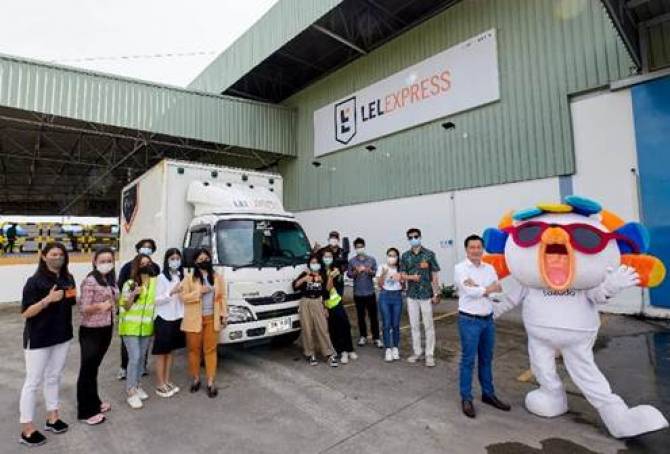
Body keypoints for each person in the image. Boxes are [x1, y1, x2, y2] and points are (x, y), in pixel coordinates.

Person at [18, 242, 76, 447]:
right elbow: (26, 313)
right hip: (39, 339)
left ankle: (53, 417)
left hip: (62, 336)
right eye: (53, 254)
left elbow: (71, 301)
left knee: (54, 377)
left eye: (61, 254)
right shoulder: (34, 282)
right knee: (33, 382)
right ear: (43, 256)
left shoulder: (68, 278)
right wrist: (47, 300)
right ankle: (27, 428)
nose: (57, 257)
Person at [454, 234, 510, 418]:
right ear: (466, 250)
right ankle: (466, 398)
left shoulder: (489, 268)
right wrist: (486, 289)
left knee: (486, 359)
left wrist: (479, 288)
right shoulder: (460, 268)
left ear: (483, 249)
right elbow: (469, 291)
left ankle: (488, 394)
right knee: (468, 360)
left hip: (488, 320)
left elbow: (498, 293)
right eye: (472, 247)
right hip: (469, 321)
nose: (476, 250)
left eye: (479, 247)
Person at [76, 247, 117, 425]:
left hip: (106, 328)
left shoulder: (109, 279)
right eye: (103, 261)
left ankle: (95, 402)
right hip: (91, 330)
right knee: (87, 370)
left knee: (94, 368)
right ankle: (86, 411)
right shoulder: (90, 281)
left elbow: (115, 299)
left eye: (109, 260)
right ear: (95, 262)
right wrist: (101, 306)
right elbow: (83, 308)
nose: (106, 264)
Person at [180, 248, 228, 398]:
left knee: (211, 350)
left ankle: (210, 381)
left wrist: (224, 315)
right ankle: (195, 379)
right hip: (193, 320)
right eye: (200, 259)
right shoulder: (189, 278)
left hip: (212, 319)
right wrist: (199, 292)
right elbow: (183, 297)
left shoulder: (217, 277)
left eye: (206, 259)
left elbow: (223, 297)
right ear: (195, 262)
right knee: (194, 351)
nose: (204, 261)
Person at [116, 239, 159, 380]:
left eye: (149, 247)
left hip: (146, 322)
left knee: (141, 352)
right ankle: (125, 369)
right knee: (131, 351)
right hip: (130, 321)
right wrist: (132, 294)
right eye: (144, 247)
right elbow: (122, 289)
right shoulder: (128, 271)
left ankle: (141, 370)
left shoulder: (155, 271)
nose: (146, 249)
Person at [118, 254, 157, 409]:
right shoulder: (130, 283)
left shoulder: (154, 283)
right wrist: (133, 294)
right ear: (136, 266)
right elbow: (125, 306)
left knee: (141, 358)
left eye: (148, 263)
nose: (146, 266)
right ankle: (131, 391)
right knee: (134, 358)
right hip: (130, 327)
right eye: (142, 263)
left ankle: (138, 384)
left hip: (146, 327)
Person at [400, 228, 441, 367]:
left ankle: (429, 354)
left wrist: (436, 293)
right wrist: (411, 277)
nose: (414, 239)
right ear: (408, 239)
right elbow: (402, 275)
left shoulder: (429, 254)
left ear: (420, 237)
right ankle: (417, 352)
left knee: (428, 325)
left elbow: (434, 275)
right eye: (410, 237)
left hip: (426, 295)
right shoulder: (405, 256)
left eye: (416, 236)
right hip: (411, 295)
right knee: (414, 325)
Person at [293, 255, 339, 367]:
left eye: (317, 262)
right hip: (305, 302)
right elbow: (294, 286)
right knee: (307, 328)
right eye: (312, 263)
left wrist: (325, 307)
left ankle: (329, 353)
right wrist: (304, 279)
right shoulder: (305, 274)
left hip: (318, 302)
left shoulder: (323, 275)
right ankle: (310, 354)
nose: (315, 265)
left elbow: (327, 292)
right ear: (309, 264)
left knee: (322, 328)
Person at [152, 248, 186, 398]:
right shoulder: (161, 278)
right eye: (172, 258)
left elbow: (182, 300)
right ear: (167, 260)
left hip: (177, 318)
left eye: (178, 258)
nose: (175, 261)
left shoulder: (180, 276)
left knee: (171, 352)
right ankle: (160, 384)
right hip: (163, 318)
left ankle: (167, 380)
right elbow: (156, 300)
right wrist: (171, 292)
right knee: (162, 353)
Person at [322, 250, 357, 364]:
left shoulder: (336, 269)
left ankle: (349, 349)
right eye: (325, 256)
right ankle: (340, 351)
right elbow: (326, 289)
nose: (327, 258)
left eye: (329, 256)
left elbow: (338, 286)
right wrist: (330, 277)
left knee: (345, 325)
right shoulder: (321, 272)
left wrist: (335, 274)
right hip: (327, 303)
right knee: (333, 328)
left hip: (337, 301)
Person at [347, 238, 381, 347]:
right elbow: (349, 275)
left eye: (361, 246)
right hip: (358, 293)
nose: (359, 249)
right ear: (355, 248)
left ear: (364, 247)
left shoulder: (371, 259)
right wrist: (356, 271)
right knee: (360, 316)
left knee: (373, 316)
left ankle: (376, 337)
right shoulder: (352, 261)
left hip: (370, 292)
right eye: (357, 247)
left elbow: (375, 273)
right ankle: (363, 336)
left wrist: (369, 271)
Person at [376, 247, 404, 362]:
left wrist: (401, 279)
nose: (392, 258)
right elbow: (379, 284)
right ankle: (388, 349)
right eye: (390, 255)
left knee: (396, 324)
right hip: (385, 296)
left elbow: (403, 286)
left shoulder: (400, 268)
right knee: (386, 323)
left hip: (397, 297)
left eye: (394, 256)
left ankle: (395, 348)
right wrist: (384, 274)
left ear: (397, 257)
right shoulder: (382, 267)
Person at [318, 231, 349, 297]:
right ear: (328, 239)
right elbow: (316, 262)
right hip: (326, 281)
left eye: (335, 238)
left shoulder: (342, 251)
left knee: (338, 300)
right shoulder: (322, 251)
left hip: (338, 282)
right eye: (332, 238)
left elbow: (346, 264)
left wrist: (339, 270)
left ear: (338, 240)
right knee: (326, 300)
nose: (333, 240)